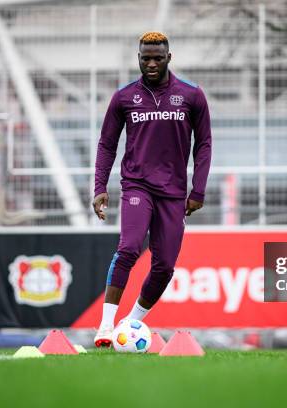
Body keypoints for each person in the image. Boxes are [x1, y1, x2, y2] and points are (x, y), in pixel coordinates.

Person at [92, 31, 212, 347]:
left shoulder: (192, 95)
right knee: (129, 247)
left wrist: (198, 190)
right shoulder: (123, 97)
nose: (152, 63)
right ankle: (105, 327)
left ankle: (130, 325)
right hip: (136, 184)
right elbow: (106, 144)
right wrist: (99, 186)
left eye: (158, 57)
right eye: (146, 58)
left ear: (169, 58)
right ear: (139, 59)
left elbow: (204, 144)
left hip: (173, 192)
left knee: (164, 268)